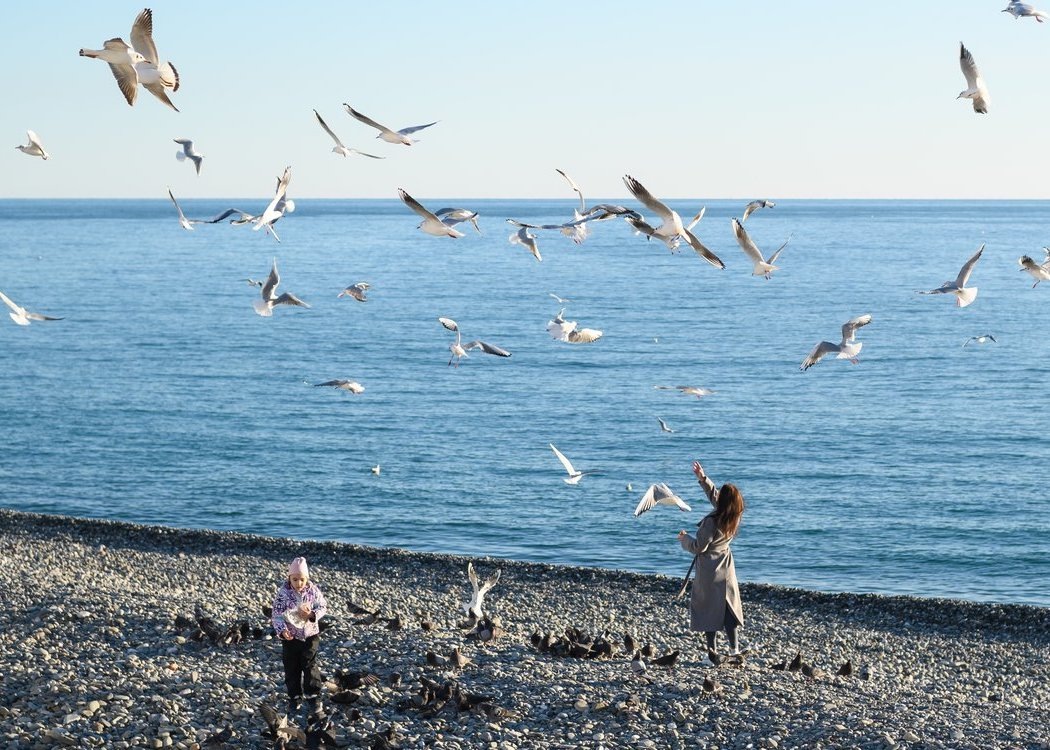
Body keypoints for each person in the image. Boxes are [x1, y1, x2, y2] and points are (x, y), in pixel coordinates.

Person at [677, 460, 745, 660]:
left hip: (709, 568)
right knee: (728, 609)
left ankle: (711, 654)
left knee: (708, 609)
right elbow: (717, 498)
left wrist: (685, 539)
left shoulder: (711, 522)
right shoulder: (734, 515)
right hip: (726, 564)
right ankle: (734, 650)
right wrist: (703, 478)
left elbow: (699, 547)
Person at [272, 556, 328, 715]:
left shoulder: (313, 590)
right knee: (291, 666)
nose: (299, 583)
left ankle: (313, 695)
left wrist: (312, 614)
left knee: (309, 664)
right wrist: (282, 630)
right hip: (291, 637)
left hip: (310, 635)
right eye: (295, 579)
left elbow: (323, 606)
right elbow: (276, 614)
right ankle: (294, 696)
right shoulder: (283, 592)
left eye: (302, 579)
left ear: (307, 578)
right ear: (289, 578)